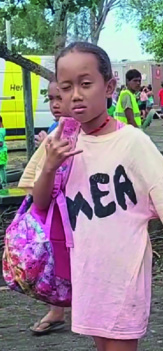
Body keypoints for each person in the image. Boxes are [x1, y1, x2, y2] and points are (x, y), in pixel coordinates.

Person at [21, 41, 163, 351]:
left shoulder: (131, 142)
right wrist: (49, 164)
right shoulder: (60, 139)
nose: (76, 94)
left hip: (123, 274)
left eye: (86, 84)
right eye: (66, 86)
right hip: (86, 273)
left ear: (109, 86)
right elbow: (40, 204)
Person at [28, 77, 71, 335]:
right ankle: (57, 310)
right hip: (54, 205)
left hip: (72, 208)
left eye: (60, 97)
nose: (56, 104)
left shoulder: (75, 130)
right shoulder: (58, 127)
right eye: (51, 99)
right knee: (54, 258)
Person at [0, 115, 7, 189]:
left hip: (1, 152)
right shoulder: (3, 129)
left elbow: (0, 143)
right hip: (3, 152)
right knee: (2, 169)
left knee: (1, 169)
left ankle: (3, 184)